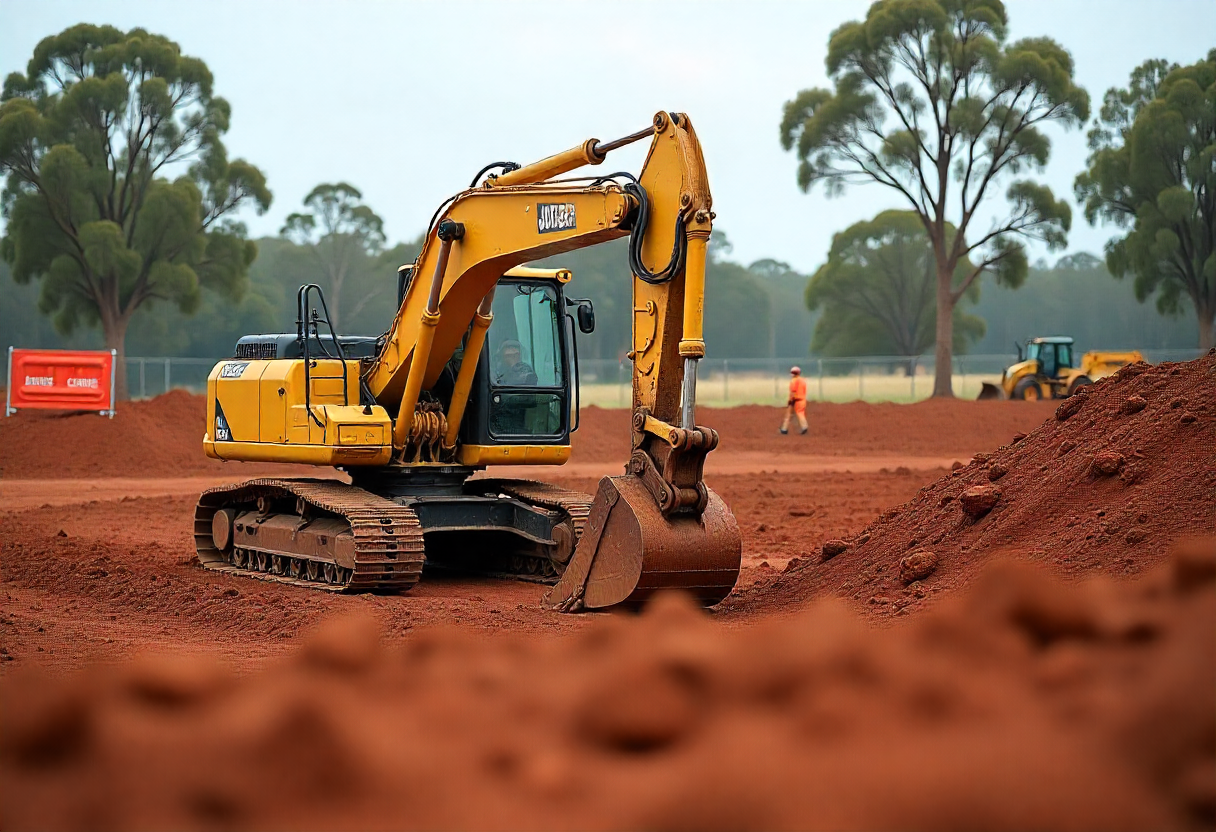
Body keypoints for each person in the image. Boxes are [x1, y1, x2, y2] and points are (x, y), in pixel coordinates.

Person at [780, 366, 808, 435]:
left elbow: (793, 391)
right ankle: (804, 426)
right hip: (802, 400)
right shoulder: (802, 380)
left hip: (795, 400)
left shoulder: (793, 381)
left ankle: (784, 429)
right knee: (801, 413)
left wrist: (790, 400)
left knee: (789, 415)